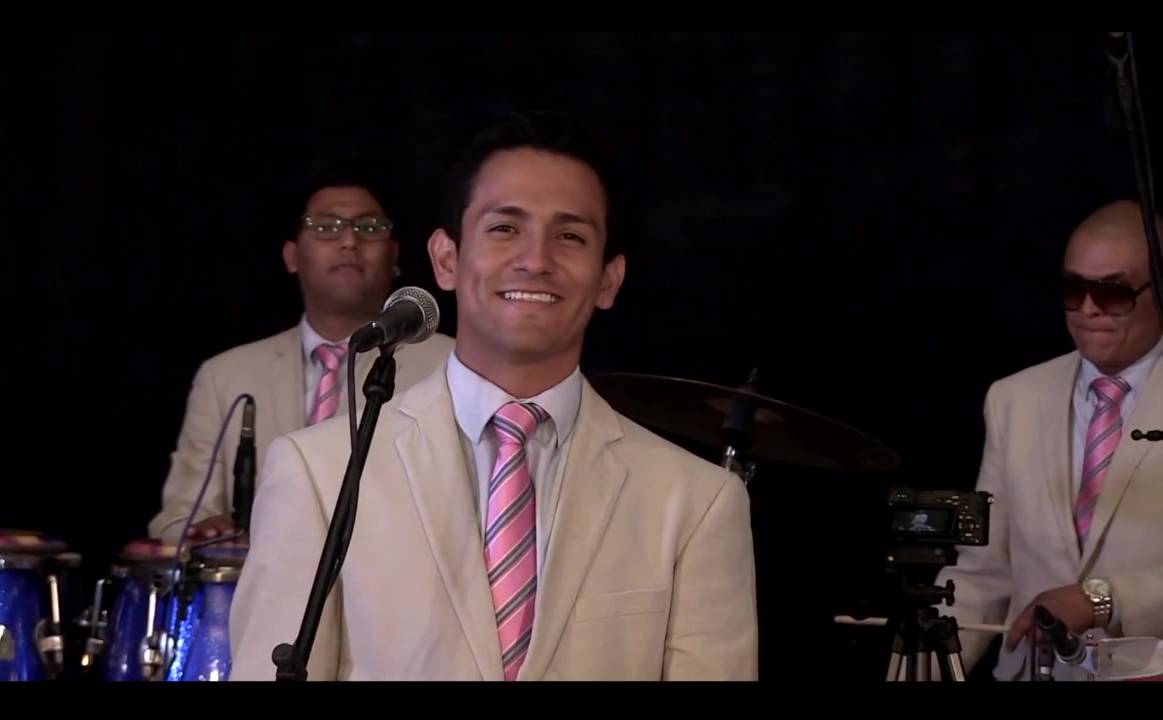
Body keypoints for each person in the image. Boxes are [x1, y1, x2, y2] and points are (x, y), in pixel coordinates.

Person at [226, 111, 759, 681]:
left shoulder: (696, 502)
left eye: (570, 236)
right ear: (446, 259)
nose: (536, 260)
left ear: (609, 279)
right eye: (505, 228)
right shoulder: (317, 472)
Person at [147, 170, 455, 543]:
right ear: (292, 256)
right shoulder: (224, 376)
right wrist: (204, 532)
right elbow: (179, 518)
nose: (349, 241)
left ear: (394, 255)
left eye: (369, 227)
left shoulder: (450, 366)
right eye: (325, 227)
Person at [937, 199, 1163, 681]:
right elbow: (982, 573)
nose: (1088, 309)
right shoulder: (1013, 398)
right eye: (1073, 289)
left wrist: (1100, 600)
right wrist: (926, 667)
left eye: (1113, 293)